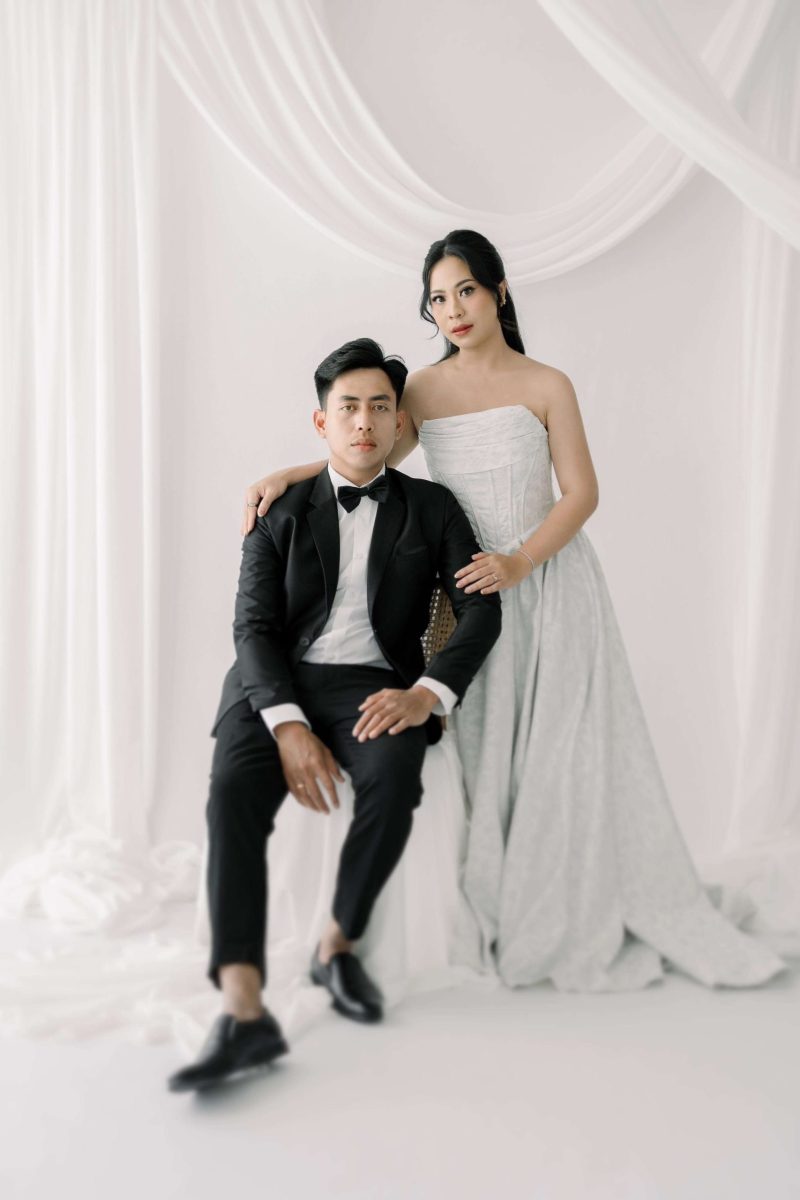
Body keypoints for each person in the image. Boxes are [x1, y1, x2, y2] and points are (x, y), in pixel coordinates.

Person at [241, 230, 787, 994]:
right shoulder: (422, 390)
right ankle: (484, 912)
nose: (453, 310)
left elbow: (582, 494)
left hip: (549, 584)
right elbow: (368, 460)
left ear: (499, 291)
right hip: (465, 596)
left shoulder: (547, 383)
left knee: (560, 753)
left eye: (466, 290)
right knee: (479, 751)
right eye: (438, 299)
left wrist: (520, 562)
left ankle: (563, 909)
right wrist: (291, 472)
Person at [167, 337, 501, 1092]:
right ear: (321, 423)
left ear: (399, 421)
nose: (364, 422)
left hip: (374, 683)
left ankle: (337, 945)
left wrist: (428, 693)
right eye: (348, 407)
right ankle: (243, 1008)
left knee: (396, 777)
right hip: (274, 681)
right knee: (232, 792)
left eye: (380, 407)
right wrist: (287, 724)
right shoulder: (279, 508)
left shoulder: (433, 508)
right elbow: (253, 627)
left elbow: (482, 610)